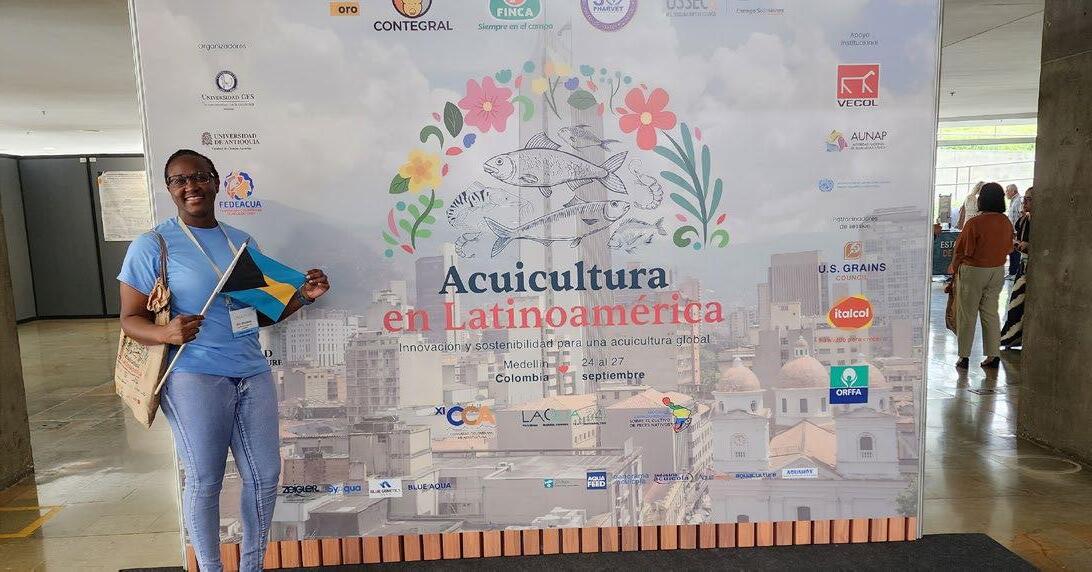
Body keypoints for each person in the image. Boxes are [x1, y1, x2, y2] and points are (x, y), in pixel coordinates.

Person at [117, 150, 330, 571]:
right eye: (179, 180)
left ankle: (251, 566)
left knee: (264, 477)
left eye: (198, 177)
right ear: (169, 189)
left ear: (215, 182)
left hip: (251, 372)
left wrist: (303, 298)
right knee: (205, 479)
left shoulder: (241, 242)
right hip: (193, 374)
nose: (190, 187)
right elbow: (129, 319)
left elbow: (260, 314)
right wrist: (166, 333)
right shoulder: (153, 245)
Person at [948, 182, 1013, 370]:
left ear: (982, 199)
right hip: (997, 270)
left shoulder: (975, 223)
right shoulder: (1005, 222)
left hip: (974, 270)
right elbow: (1010, 248)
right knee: (991, 313)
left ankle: (964, 357)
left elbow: (962, 250)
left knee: (967, 314)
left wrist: (954, 268)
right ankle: (993, 355)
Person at [1001, 186, 1032, 349]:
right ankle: (1012, 336)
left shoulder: (1030, 219)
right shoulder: (1025, 218)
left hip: (1028, 266)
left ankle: (1014, 336)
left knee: (1018, 303)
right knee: (1016, 303)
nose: (1024, 202)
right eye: (1025, 199)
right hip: (1023, 264)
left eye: (1028, 199)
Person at [1004, 184, 1023, 277]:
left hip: (1016, 232)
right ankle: (1012, 272)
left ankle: (1013, 272)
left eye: (1007, 191)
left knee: (1015, 251)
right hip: (1012, 231)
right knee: (1012, 251)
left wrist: (1017, 231)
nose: (1006, 193)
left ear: (1013, 191)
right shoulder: (1013, 201)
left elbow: (1020, 216)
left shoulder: (1018, 201)